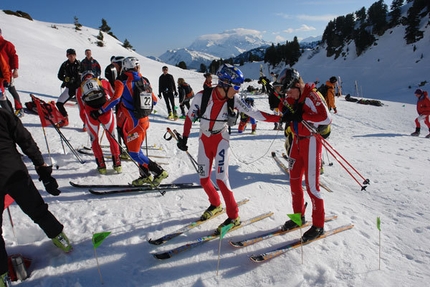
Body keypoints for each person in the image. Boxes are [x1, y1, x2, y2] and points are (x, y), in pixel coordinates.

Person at [176, 64, 280, 235]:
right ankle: (216, 203)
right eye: (236, 86)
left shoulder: (234, 99)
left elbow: (256, 114)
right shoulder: (202, 97)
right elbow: (189, 118)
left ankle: (234, 217)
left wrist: (282, 118)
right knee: (203, 179)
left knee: (222, 179)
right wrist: (185, 138)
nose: (238, 90)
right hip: (204, 139)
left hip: (221, 140)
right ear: (224, 84)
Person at [0, 108, 72, 286]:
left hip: (13, 171)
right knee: (38, 209)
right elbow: (25, 140)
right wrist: (40, 165)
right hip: (14, 172)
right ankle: (62, 240)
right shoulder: (3, 114)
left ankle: (2, 276)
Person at [91, 57, 168, 187]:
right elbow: (154, 101)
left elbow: (115, 99)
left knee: (134, 153)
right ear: (137, 67)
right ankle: (145, 175)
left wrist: (100, 111)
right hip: (144, 121)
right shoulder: (144, 80)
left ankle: (158, 171)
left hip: (135, 124)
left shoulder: (121, 81)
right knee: (138, 151)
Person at [278, 68, 332, 242]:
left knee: (312, 186)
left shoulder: (312, 96)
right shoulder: (294, 96)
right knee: (294, 181)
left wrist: (304, 115)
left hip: (311, 142)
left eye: (290, 90)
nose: (289, 94)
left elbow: (326, 118)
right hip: (296, 141)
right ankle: (298, 217)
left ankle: (318, 225)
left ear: (298, 85)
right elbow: (284, 105)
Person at [76, 71, 121, 174]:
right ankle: (117, 163)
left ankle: (101, 165)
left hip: (91, 115)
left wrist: (85, 122)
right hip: (106, 113)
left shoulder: (79, 89)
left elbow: (81, 110)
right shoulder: (103, 82)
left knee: (94, 139)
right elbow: (114, 96)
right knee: (112, 136)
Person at [0, 28, 23, 117]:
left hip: (7, 73)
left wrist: (16, 69)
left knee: (11, 89)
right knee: (2, 95)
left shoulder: (6, 44)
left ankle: (19, 108)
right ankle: (9, 112)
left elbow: (14, 56)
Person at [56, 48, 81, 127]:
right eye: (70, 55)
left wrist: (76, 79)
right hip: (69, 87)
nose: (71, 57)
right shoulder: (65, 64)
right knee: (59, 103)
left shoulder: (80, 64)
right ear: (67, 56)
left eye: (73, 55)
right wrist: (65, 79)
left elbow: (85, 74)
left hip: (79, 88)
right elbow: (59, 75)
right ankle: (65, 119)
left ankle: (86, 124)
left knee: (82, 106)